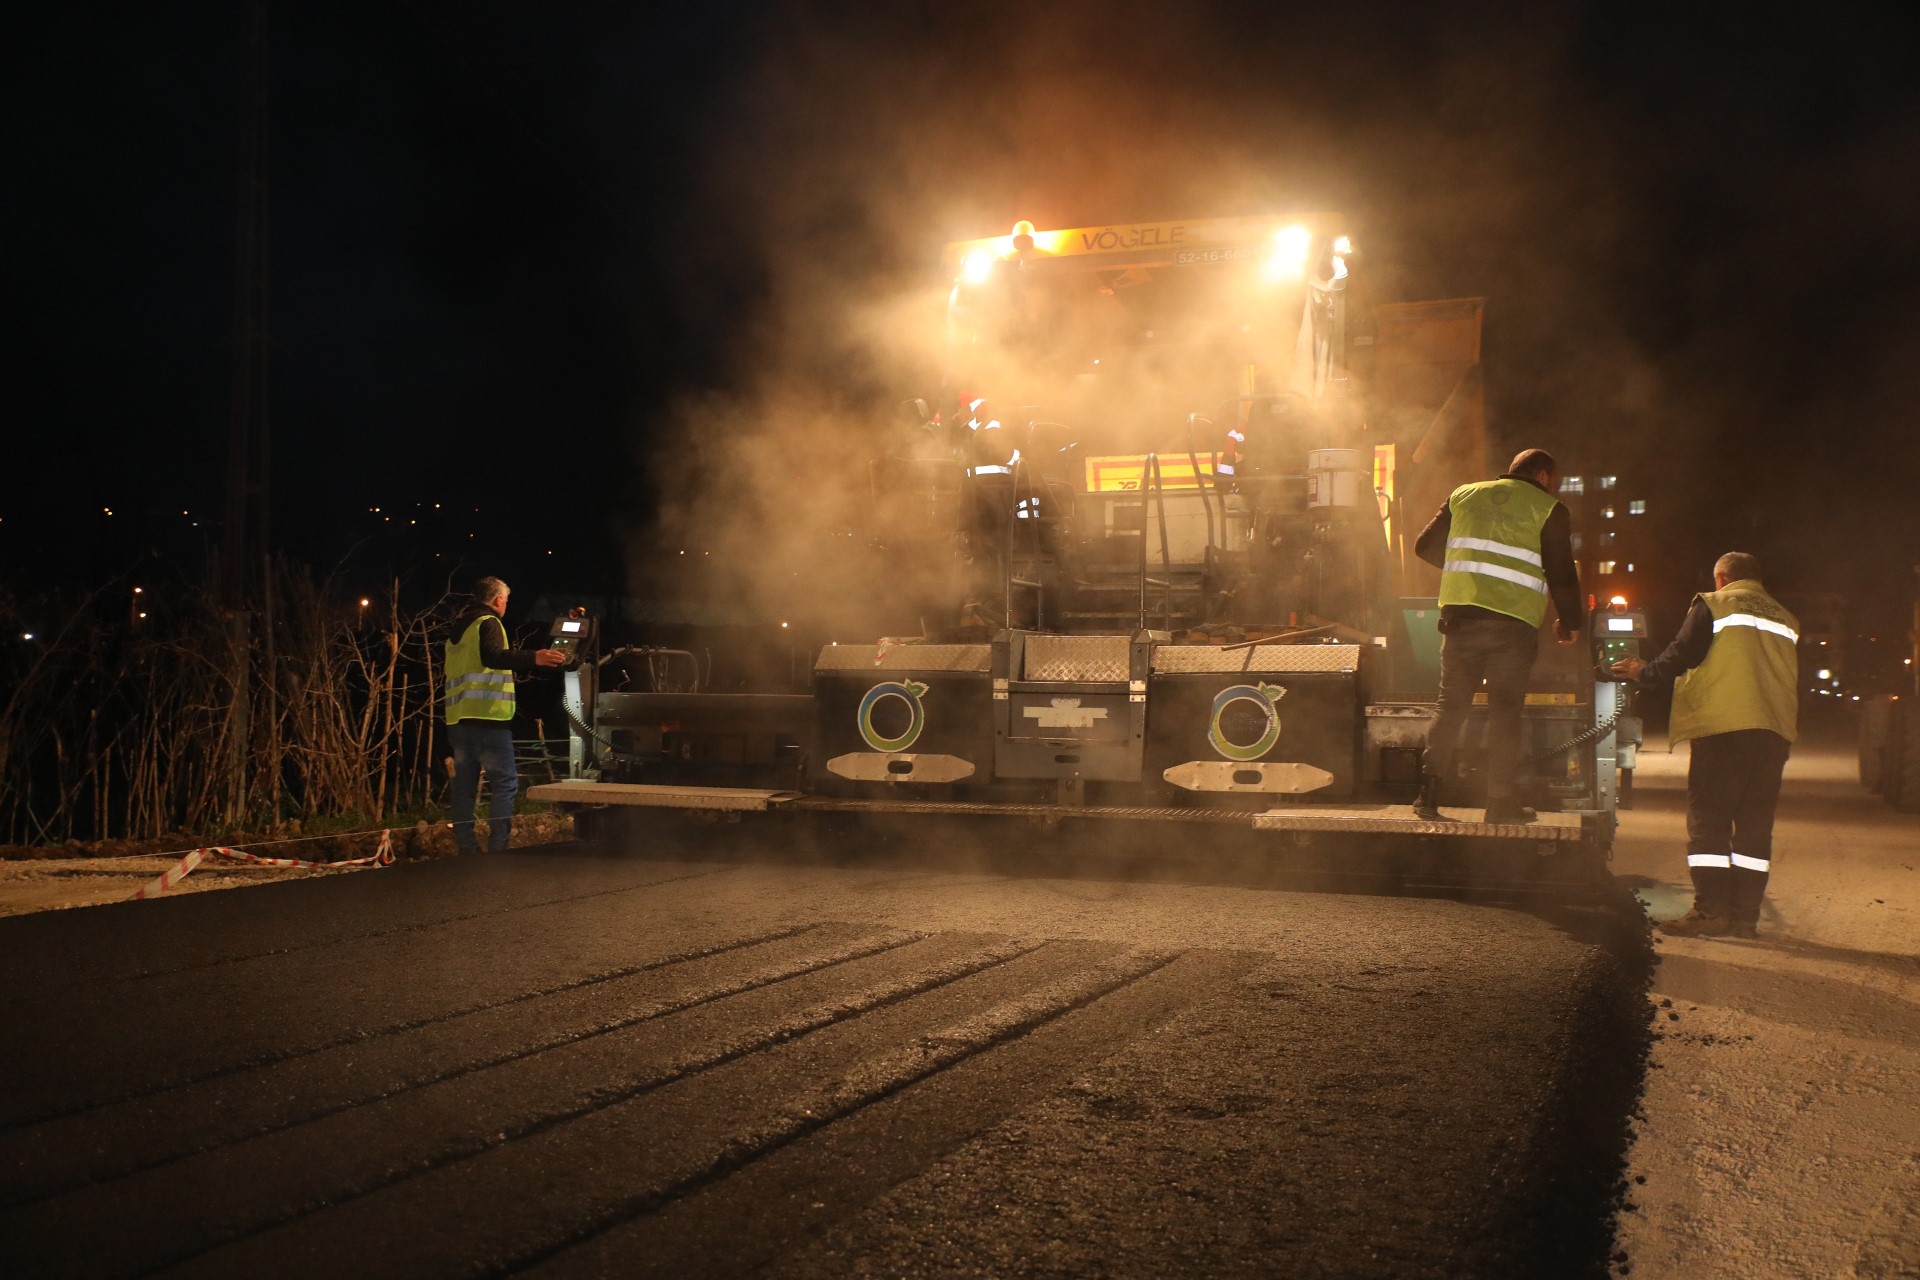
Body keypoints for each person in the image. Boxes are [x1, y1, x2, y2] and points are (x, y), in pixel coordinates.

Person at [1612, 552, 1799, 938]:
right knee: (1754, 828)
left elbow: (1684, 651)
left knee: (1709, 823)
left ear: (1722, 577)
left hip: (1725, 728)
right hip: (1774, 731)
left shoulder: (1715, 603)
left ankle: (1712, 912)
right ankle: (1745, 918)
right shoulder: (1784, 615)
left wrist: (1643, 672)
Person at [1412, 448, 1582, 824]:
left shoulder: (1464, 495)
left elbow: (1423, 546)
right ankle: (1499, 803)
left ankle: (1427, 797)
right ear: (1543, 477)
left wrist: (1468, 570)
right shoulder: (1548, 508)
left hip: (1460, 621)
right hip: (1512, 626)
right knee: (1505, 714)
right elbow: (1561, 572)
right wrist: (1570, 622)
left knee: (1450, 706)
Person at [443, 576, 566, 853]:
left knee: (463, 787)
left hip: (458, 721)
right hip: (488, 720)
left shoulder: (458, 629)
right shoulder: (489, 622)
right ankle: (498, 849)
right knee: (505, 783)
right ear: (498, 600)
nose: (506, 605)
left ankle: (468, 849)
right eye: (506, 601)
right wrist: (535, 657)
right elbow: (494, 656)